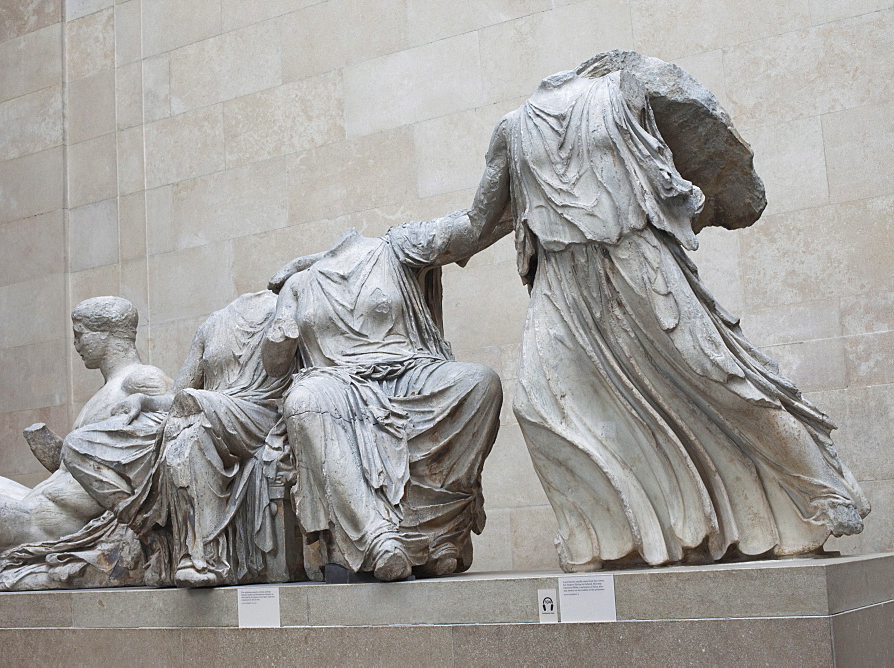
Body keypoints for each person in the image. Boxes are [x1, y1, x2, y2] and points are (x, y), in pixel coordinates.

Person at [458, 64, 869, 571]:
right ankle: (613, 536)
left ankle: (823, 493)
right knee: (540, 405)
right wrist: (402, 250)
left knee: (718, 376)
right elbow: (480, 220)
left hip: (638, 261)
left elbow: (668, 176)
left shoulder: (620, 90)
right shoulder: (512, 127)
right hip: (562, 281)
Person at [263, 218, 506, 581]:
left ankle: (440, 532)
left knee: (480, 383)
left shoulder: (393, 253)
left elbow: (471, 228)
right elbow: (274, 366)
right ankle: (377, 538)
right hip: (337, 381)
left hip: (408, 370)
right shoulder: (298, 285)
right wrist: (279, 340)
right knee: (304, 402)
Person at [0, 297, 172, 591]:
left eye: (80, 334)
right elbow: (89, 468)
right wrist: (55, 451)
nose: (76, 345)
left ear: (105, 334)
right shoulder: (107, 390)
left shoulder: (140, 379)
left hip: (39, 525)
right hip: (34, 503)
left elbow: (177, 414)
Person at [63, 291, 297, 588]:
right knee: (78, 447)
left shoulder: (286, 307)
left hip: (256, 415)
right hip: (202, 410)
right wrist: (145, 402)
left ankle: (202, 557)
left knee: (190, 436)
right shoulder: (211, 326)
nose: (76, 344)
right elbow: (176, 396)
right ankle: (149, 527)